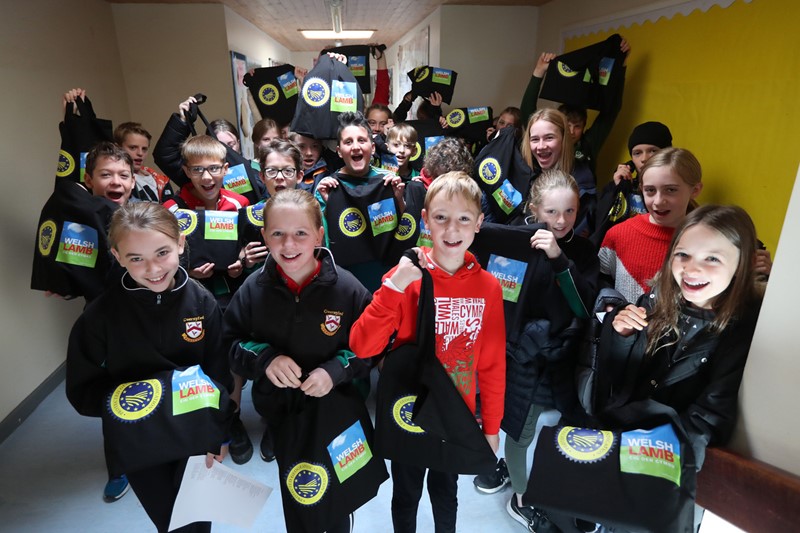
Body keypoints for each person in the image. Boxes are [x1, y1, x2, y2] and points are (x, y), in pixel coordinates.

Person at [350, 172, 506, 533]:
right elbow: (362, 345)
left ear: (479, 223)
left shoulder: (489, 287)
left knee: (446, 492)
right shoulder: (405, 277)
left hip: (456, 413)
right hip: (409, 411)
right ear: (425, 220)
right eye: (441, 217)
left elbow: (493, 363)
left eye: (464, 218)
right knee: (406, 494)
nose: (452, 229)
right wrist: (395, 287)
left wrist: (492, 426)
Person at [66, 202, 233, 533]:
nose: (153, 268)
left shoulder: (201, 302)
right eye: (136, 258)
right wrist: (131, 404)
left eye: (162, 252)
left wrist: (221, 432)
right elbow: (82, 388)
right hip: (139, 441)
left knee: (197, 522)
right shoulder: (101, 316)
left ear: (181, 243)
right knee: (170, 523)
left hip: (194, 433)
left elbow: (219, 374)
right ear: (117, 256)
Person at [224, 189, 375, 532]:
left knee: (338, 497)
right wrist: (265, 359)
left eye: (300, 234)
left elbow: (372, 347)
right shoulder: (252, 289)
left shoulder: (348, 288)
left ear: (320, 234)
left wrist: (337, 369)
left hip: (337, 411)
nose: (288, 245)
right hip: (283, 413)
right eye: (277, 233)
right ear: (263, 235)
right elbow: (229, 342)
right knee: (301, 492)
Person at [473, 171, 599, 532]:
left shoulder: (583, 250)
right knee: (520, 429)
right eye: (551, 212)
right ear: (533, 208)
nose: (561, 220)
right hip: (522, 357)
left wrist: (559, 258)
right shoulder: (514, 239)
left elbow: (584, 306)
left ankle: (564, 491)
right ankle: (522, 499)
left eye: (570, 211)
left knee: (571, 428)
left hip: (566, 358)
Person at [603, 204, 764, 483]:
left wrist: (647, 460)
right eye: (683, 255)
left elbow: (709, 417)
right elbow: (619, 378)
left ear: (743, 263)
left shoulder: (742, 331)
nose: (692, 268)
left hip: (659, 463)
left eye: (712, 258)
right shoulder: (657, 298)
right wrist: (622, 337)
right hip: (618, 435)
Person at [162, 135, 253, 464]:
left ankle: (231, 420)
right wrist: (188, 271)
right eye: (198, 170)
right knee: (194, 363)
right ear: (186, 170)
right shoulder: (172, 209)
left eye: (214, 168)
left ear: (226, 169)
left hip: (230, 295)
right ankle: (201, 425)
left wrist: (242, 260)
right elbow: (163, 258)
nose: (207, 177)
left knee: (231, 361)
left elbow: (249, 248)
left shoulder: (240, 204)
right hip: (188, 299)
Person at [599, 147, 703, 303]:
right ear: (641, 189)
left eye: (671, 190)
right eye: (650, 191)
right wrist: (613, 309)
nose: (659, 201)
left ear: (695, 190)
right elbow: (600, 285)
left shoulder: (708, 242)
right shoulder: (618, 234)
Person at [315, 111, 404, 291]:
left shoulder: (388, 181)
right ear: (339, 151)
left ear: (372, 147)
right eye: (348, 142)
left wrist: (398, 199)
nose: (355, 146)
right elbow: (324, 242)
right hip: (346, 280)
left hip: (386, 277)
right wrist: (328, 205)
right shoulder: (329, 188)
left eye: (361, 140)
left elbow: (403, 229)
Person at [591, 121, 673, 246]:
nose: (644, 158)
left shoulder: (674, 190)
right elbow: (600, 225)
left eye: (653, 151)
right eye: (637, 153)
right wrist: (615, 188)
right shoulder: (625, 186)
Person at [113, 122, 174, 203]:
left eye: (144, 149)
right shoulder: (115, 180)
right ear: (118, 148)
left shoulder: (160, 180)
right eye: (133, 147)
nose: (140, 153)